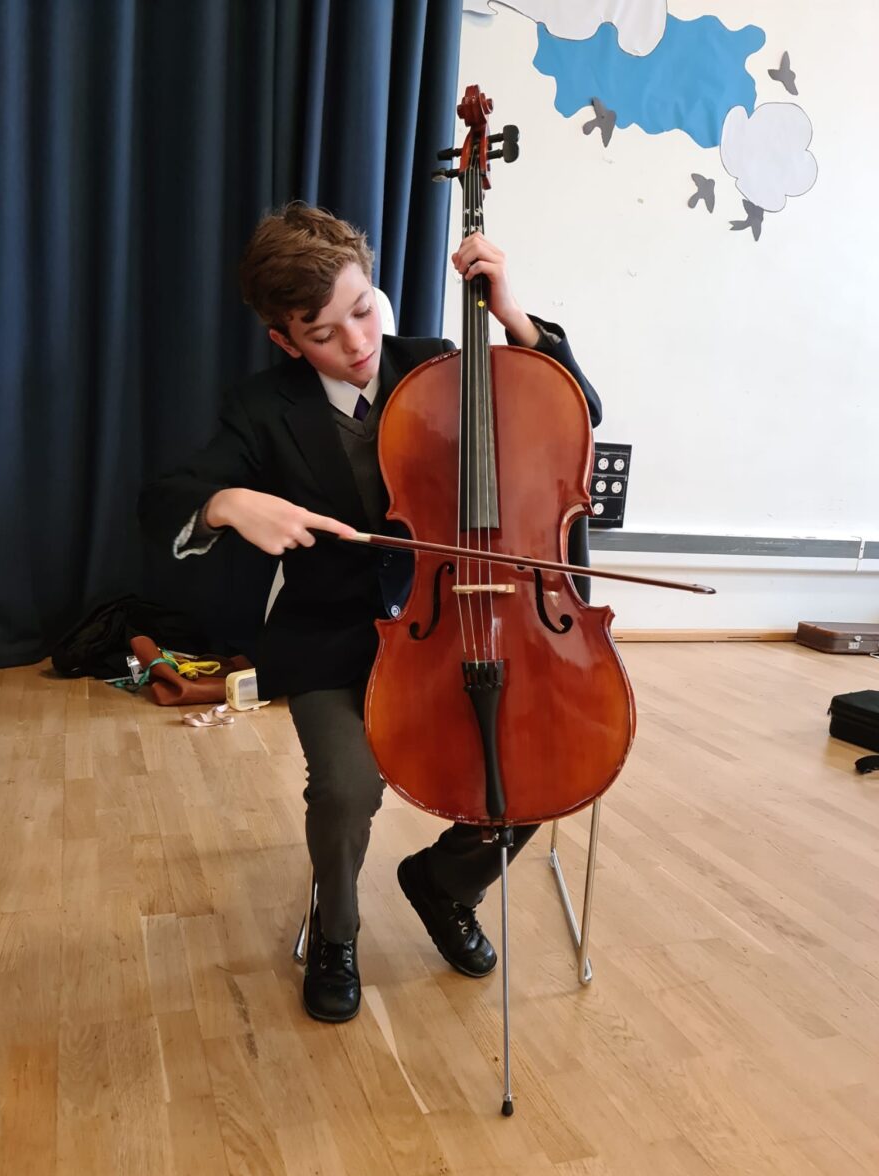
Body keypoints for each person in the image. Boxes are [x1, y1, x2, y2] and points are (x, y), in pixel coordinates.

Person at [139, 202, 602, 1022]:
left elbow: (576, 410)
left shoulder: (442, 364)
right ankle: (336, 931)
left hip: (464, 617)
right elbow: (166, 499)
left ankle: (443, 884)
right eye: (323, 333)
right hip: (336, 634)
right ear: (285, 341)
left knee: (543, 759)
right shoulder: (260, 407)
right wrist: (229, 502)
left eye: (363, 310)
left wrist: (514, 317)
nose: (356, 344)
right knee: (348, 788)